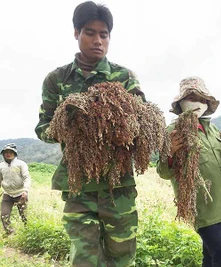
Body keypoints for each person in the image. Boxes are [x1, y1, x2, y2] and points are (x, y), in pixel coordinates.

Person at [34, 1, 145, 266]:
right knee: (85, 259)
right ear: (76, 33)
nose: (98, 40)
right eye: (90, 32)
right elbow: (43, 128)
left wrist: (127, 132)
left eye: (103, 34)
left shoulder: (123, 77)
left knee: (122, 257)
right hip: (78, 187)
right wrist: (69, 127)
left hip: (118, 187)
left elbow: (142, 122)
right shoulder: (56, 79)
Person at [156, 76, 221, 267]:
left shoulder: (213, 130)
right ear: (180, 103)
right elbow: (163, 172)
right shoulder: (174, 131)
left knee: (209, 257)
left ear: (207, 102)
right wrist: (171, 152)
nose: (196, 102)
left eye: (201, 98)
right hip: (202, 208)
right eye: (190, 97)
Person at [0, 143, 31, 235]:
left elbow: (27, 178)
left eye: (10, 152)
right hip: (7, 194)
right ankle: (10, 233)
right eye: (6, 152)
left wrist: (25, 191)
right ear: (3, 154)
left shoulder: (21, 164)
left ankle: (28, 233)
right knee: (4, 215)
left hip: (21, 193)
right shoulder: (1, 166)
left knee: (24, 215)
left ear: (15, 153)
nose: (8, 154)